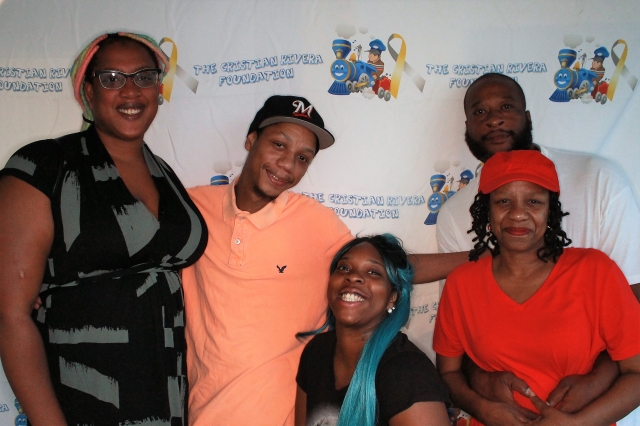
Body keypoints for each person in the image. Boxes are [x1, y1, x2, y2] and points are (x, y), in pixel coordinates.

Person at [182, 95, 469, 425]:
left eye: (302, 158)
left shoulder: (314, 222)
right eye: (278, 144)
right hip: (202, 415)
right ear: (251, 140)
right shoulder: (190, 208)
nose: (287, 164)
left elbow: (381, 268)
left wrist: (482, 257)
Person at [0, 33, 207, 425]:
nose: (131, 90)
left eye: (144, 77)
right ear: (88, 91)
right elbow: (10, 315)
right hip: (83, 401)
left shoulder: (165, 173)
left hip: (166, 401)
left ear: (158, 89)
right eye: (112, 78)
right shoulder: (45, 165)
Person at [435, 72, 640, 423]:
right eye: (503, 201)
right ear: (485, 212)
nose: (518, 214)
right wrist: (482, 404)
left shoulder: (595, 268)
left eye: (533, 201)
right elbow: (450, 370)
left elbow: (635, 365)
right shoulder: (462, 280)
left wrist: (581, 415)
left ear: (552, 210)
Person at [295, 234, 450, 426]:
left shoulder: (408, 372)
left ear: (392, 297)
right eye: (344, 268)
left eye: (373, 272)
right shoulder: (316, 352)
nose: (353, 276)